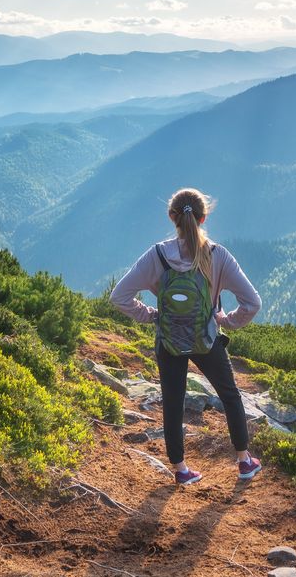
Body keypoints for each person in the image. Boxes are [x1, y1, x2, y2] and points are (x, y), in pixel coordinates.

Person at [109, 187, 263, 485]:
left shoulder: (157, 255)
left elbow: (119, 297)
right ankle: (244, 461)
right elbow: (253, 303)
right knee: (230, 396)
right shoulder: (218, 256)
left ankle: (180, 469)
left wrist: (152, 316)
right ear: (204, 218)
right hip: (207, 339)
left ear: (172, 217)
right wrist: (226, 321)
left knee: (173, 401)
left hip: (169, 341)